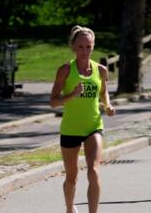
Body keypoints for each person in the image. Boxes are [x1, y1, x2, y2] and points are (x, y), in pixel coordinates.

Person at [50, 25, 116, 213]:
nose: (85, 51)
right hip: (70, 128)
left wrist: (108, 106)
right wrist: (72, 95)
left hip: (93, 126)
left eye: (89, 47)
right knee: (72, 177)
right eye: (80, 47)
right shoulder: (65, 70)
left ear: (93, 47)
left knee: (94, 171)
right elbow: (53, 102)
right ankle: (70, 209)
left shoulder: (101, 70)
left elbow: (103, 93)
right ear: (73, 47)